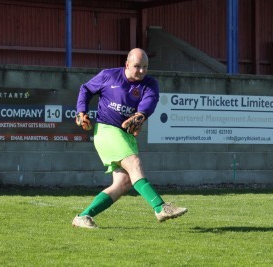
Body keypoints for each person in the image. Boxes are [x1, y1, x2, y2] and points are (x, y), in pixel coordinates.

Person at [72, 48, 187, 229]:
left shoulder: (150, 84)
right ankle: (160, 207)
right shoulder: (108, 76)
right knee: (134, 164)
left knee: (123, 183)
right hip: (106, 131)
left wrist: (141, 114)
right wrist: (81, 111)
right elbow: (86, 89)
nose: (141, 71)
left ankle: (83, 216)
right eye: (137, 66)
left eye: (145, 67)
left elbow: (150, 101)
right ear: (127, 65)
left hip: (126, 135)